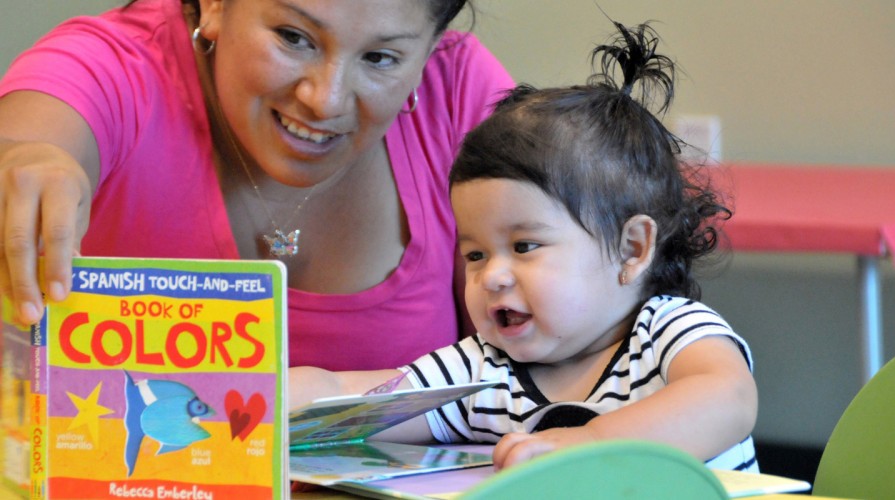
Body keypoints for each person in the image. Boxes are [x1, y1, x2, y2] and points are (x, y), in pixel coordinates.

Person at [288, 21, 759, 472]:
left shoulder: (667, 333)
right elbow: (358, 399)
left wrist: (590, 442)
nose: (491, 275)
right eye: (474, 254)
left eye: (525, 245)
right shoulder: (484, 370)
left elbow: (728, 398)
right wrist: (264, 394)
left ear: (631, 249)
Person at [0, 0, 514, 370]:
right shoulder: (117, 65)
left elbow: (569, 329)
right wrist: (28, 159)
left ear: (427, 55)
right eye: (294, 37)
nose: (326, 100)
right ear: (215, 6)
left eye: (380, 58)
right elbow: (29, 139)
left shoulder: (460, 92)